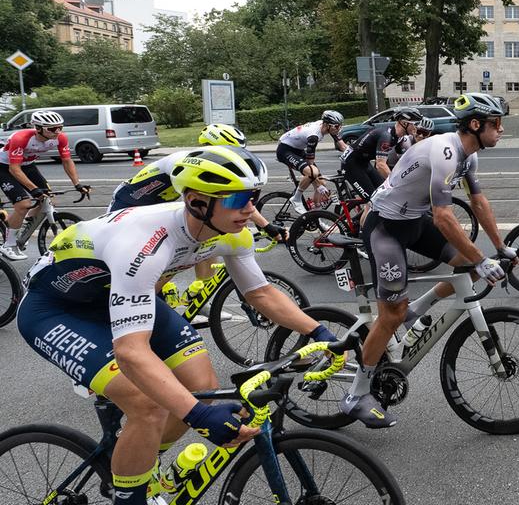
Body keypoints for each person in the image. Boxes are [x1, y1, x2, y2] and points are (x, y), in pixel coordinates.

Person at [16, 146, 335, 505]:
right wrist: (198, 416)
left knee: (200, 387)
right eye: (239, 200)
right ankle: (130, 495)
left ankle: (138, 465)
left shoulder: (233, 231)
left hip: (120, 296)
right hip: (56, 310)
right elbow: (131, 352)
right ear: (198, 202)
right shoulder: (144, 244)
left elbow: (260, 293)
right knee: (148, 404)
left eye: (254, 197)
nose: (251, 210)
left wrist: (320, 332)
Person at [343, 93, 514, 427]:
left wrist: (501, 248)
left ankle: (415, 313)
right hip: (385, 227)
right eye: (496, 124)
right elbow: (443, 218)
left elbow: (479, 203)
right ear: (476, 125)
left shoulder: (469, 157)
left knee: (468, 268)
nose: (502, 129)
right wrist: (482, 258)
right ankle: (356, 395)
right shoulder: (446, 152)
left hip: (413, 222)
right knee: (390, 315)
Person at [108, 123, 286, 288]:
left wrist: (266, 226)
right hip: (128, 206)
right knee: (165, 256)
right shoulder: (183, 160)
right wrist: (264, 225)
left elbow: (238, 198)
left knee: (206, 235)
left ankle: (200, 298)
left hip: (158, 206)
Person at [0, 110, 90, 261]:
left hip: (28, 165)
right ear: (38, 128)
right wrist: (33, 189)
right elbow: (14, 169)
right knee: (23, 204)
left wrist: (77, 184)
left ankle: (24, 227)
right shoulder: (21, 138)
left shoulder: (60, 138)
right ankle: (8, 244)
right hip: (5, 167)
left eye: (60, 127)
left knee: (49, 199)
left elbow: (67, 161)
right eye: (52, 129)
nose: (58, 131)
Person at [338, 106, 422, 201]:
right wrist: (396, 182)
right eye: (415, 124)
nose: (417, 127)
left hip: (364, 163)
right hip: (351, 164)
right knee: (373, 201)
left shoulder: (399, 137)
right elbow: (380, 165)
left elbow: (406, 159)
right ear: (404, 123)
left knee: (384, 194)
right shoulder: (386, 136)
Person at [276, 110, 348, 215]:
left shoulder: (327, 127)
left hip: (298, 150)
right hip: (285, 150)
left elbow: (343, 146)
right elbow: (310, 166)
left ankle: (315, 216)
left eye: (340, 126)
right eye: (337, 126)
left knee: (322, 182)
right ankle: (296, 199)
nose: (339, 129)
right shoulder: (314, 135)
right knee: (313, 174)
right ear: (327, 125)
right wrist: (318, 185)